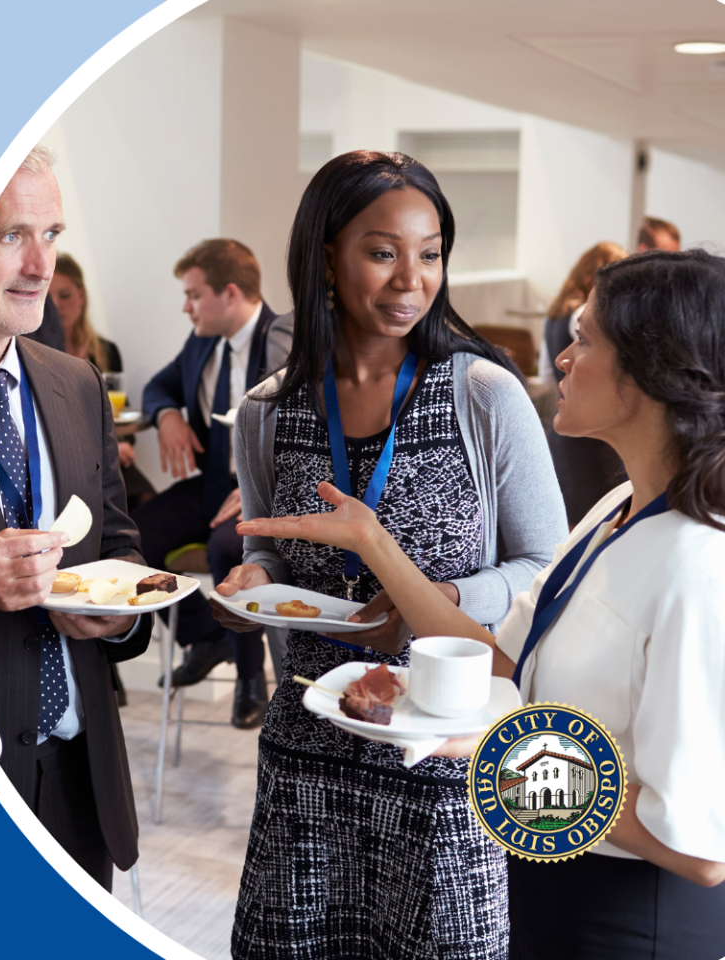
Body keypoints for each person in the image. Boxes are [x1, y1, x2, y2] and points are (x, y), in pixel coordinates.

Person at [240, 249, 725, 960]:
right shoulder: (620, 509)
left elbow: (701, 848)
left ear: (654, 370)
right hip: (549, 887)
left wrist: (499, 754)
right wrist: (375, 544)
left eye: (586, 339)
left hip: (631, 919)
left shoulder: (698, 562)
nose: (561, 356)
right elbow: (501, 661)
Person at [215, 150, 567, 959]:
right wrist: (251, 580)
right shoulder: (268, 414)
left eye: (430, 252)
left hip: (444, 760)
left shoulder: (482, 394)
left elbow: (546, 571)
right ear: (327, 260)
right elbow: (273, 551)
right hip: (309, 749)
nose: (412, 279)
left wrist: (432, 597)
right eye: (383, 252)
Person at [0, 145, 151, 889]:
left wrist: (119, 614)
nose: (41, 265)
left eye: (52, 235)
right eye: (10, 235)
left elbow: (118, 544)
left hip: (82, 787)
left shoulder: (76, 383)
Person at [136, 238, 294, 727]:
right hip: (211, 486)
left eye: (193, 295)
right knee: (132, 536)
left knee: (232, 550)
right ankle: (204, 635)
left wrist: (255, 494)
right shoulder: (203, 340)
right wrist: (167, 417)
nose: (186, 307)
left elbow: (301, 435)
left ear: (229, 293)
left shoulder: (285, 339)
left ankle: (252, 681)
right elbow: (158, 387)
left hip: (262, 496)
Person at [51, 252, 151, 510]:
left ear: (81, 296)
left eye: (64, 295)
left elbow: (119, 410)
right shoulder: (33, 356)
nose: (57, 305)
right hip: (64, 462)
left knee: (147, 503)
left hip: (109, 457)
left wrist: (124, 444)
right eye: (48, 298)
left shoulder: (105, 351)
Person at [542, 241, 628, 526]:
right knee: (590, 522)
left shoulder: (555, 312)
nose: (565, 359)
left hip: (563, 420)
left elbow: (545, 371)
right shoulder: (584, 314)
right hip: (587, 440)